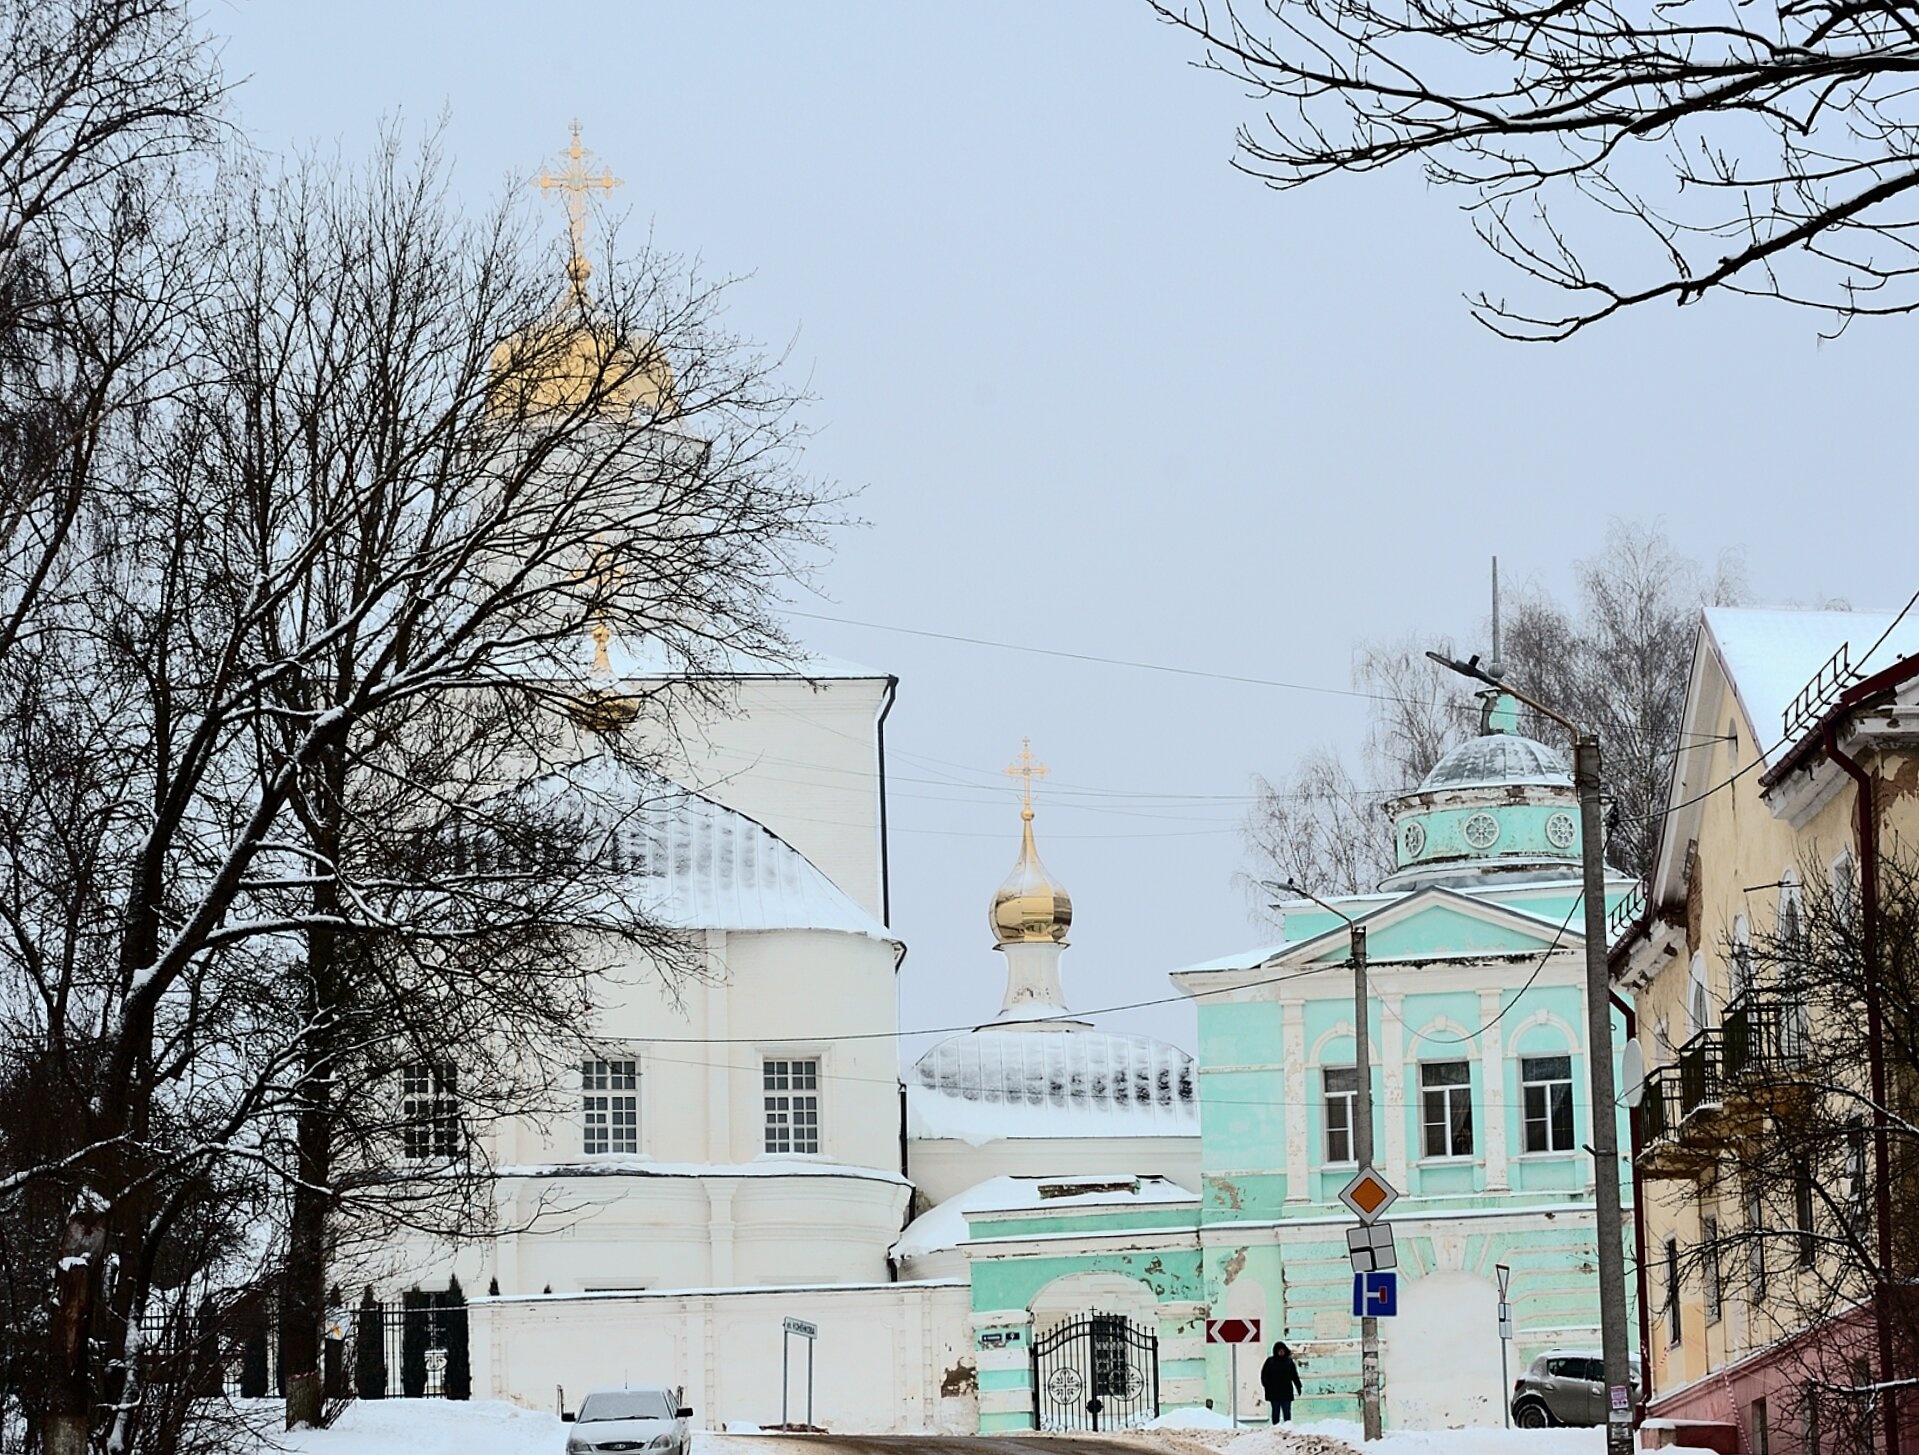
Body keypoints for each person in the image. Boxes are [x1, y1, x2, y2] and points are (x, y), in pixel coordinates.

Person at [1260, 1340, 1302, 1424]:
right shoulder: (1270, 1362)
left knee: (1287, 1412)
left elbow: (1294, 1375)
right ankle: (1275, 1428)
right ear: (1276, 1351)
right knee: (1275, 1412)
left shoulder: (1289, 1362)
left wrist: (1298, 1386)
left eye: (1282, 1350)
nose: (1281, 1352)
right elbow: (1264, 1375)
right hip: (1274, 1393)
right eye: (1279, 1350)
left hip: (1286, 1392)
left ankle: (1287, 1427)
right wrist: (1267, 1387)